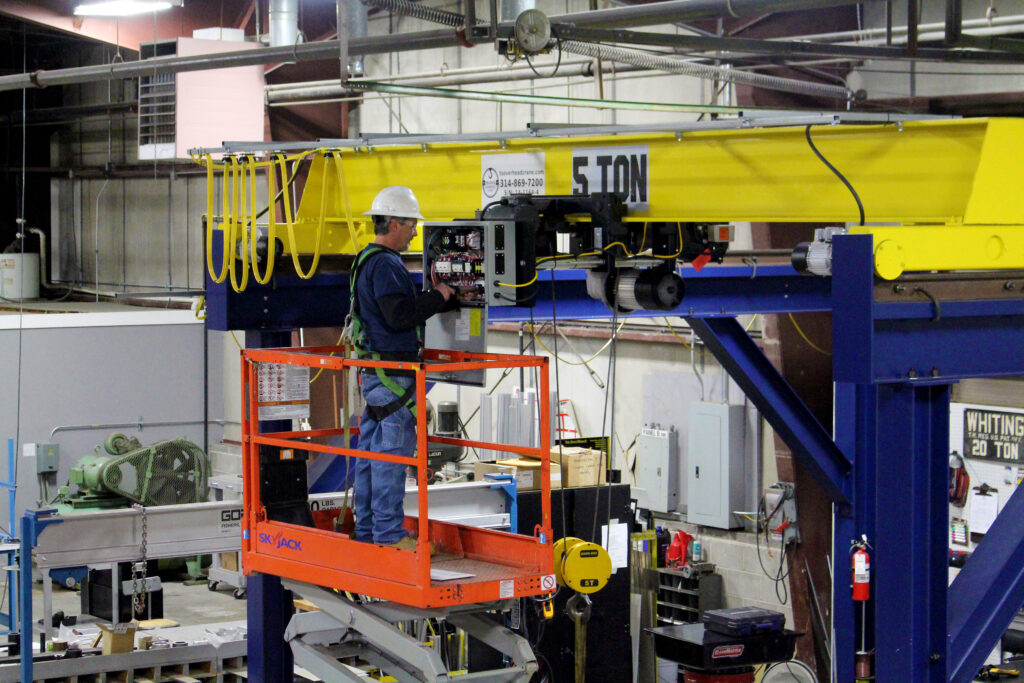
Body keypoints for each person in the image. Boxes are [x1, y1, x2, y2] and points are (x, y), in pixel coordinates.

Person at [348, 186, 456, 551]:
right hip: (393, 375)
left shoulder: (365, 259)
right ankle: (390, 535)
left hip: (375, 375)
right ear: (394, 222)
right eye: (411, 224)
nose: (414, 232)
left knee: (370, 455)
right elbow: (399, 317)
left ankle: (366, 531)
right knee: (390, 459)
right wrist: (439, 297)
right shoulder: (387, 264)